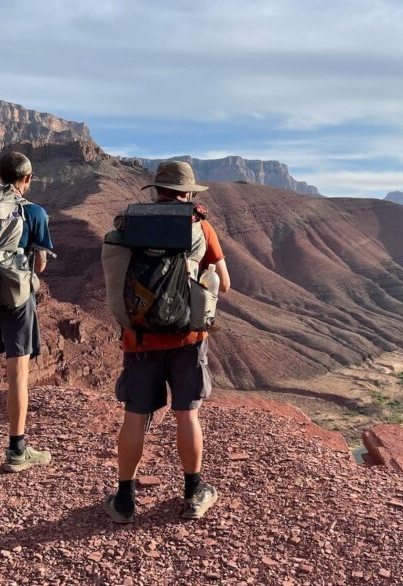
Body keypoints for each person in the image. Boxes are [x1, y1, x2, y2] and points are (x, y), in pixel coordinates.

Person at [104, 161, 230, 523]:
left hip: (140, 337)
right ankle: (193, 493)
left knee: (135, 416)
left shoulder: (129, 225)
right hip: (187, 337)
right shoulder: (200, 227)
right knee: (186, 412)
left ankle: (125, 501)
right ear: (188, 193)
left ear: (156, 190)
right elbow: (225, 282)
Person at [0, 152, 53, 472]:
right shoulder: (36, 213)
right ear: (27, 179)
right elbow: (41, 264)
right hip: (16, 298)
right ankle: (17, 451)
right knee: (16, 375)